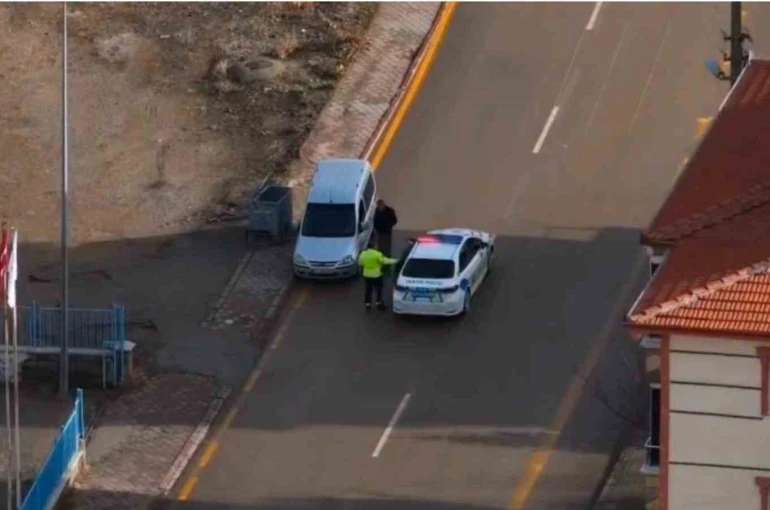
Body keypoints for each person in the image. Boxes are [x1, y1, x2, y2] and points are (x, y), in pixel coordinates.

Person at [358, 239, 396, 310]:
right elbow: (385, 261)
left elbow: (360, 263)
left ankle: (367, 304)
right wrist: (396, 261)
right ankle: (379, 304)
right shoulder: (377, 254)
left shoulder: (363, 254)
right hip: (376, 275)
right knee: (378, 290)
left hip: (366, 275)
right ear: (374, 246)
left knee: (368, 290)